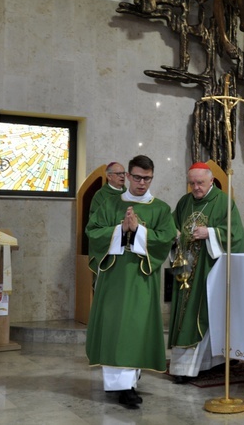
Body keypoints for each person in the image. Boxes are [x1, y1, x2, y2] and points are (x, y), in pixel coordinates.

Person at [85, 155, 176, 409]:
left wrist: (138, 231)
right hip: (114, 277)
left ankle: (129, 385)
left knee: (134, 329)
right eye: (136, 177)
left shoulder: (161, 208)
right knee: (115, 328)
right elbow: (92, 231)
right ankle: (119, 386)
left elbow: (165, 239)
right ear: (127, 177)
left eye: (147, 178)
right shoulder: (110, 204)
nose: (141, 183)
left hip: (141, 278)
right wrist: (120, 230)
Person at [168, 161, 244, 384]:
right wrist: (173, 234)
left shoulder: (224, 203)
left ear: (211, 180)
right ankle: (201, 363)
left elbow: (235, 236)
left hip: (209, 270)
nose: (196, 187)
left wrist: (210, 233)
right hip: (186, 269)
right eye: (191, 183)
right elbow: (172, 226)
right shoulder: (184, 202)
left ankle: (189, 368)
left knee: (199, 314)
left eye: (200, 183)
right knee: (185, 315)